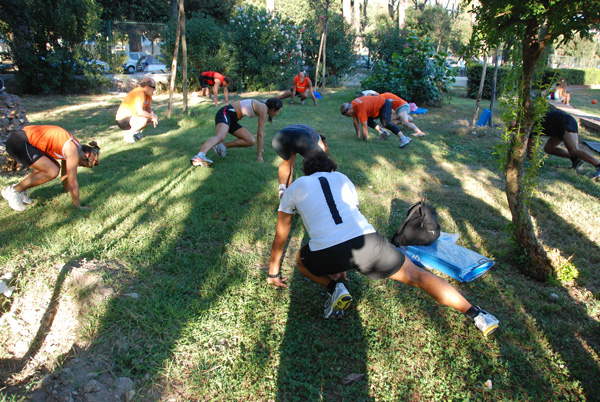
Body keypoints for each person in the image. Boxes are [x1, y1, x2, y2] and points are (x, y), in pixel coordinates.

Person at [267, 153, 499, 336]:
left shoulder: (295, 186)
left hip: (326, 253)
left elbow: (281, 237)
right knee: (417, 275)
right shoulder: (342, 178)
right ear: (331, 170)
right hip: (368, 244)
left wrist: (273, 273)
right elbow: (349, 218)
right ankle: (477, 315)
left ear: (306, 172)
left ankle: (334, 287)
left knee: (301, 261)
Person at [2, 125, 100, 212]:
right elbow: (73, 182)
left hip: (21, 140)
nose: (78, 166)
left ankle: (20, 189)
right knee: (52, 171)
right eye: (82, 164)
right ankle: (14, 191)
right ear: (85, 156)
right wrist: (78, 206)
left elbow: (66, 173)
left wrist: (67, 191)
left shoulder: (74, 145)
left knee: (55, 167)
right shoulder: (72, 150)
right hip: (18, 142)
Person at [191, 98, 283, 167]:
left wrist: (260, 149)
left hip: (233, 119)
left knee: (250, 140)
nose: (278, 114)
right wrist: (259, 156)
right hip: (226, 113)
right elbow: (260, 134)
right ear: (273, 109)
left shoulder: (263, 107)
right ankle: (199, 156)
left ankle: (221, 147)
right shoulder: (263, 108)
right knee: (220, 136)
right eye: (278, 111)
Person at [531, 110, 600, 180]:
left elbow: (531, 143)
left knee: (574, 150)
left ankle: (598, 165)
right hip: (557, 128)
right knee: (548, 148)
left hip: (565, 122)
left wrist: (530, 160)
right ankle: (575, 158)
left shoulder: (528, 122)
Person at [272, 124, 329, 198]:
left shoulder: (309, 132)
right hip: (300, 136)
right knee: (320, 163)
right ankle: (316, 191)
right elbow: (322, 153)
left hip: (279, 137)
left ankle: (283, 191)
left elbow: (291, 167)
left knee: (287, 162)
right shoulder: (318, 139)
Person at [340, 96, 412, 148]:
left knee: (386, 123)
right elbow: (355, 121)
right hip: (377, 107)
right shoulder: (353, 105)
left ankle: (404, 138)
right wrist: (358, 135)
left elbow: (364, 126)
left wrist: (364, 141)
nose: (347, 116)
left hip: (384, 104)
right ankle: (383, 132)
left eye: (346, 114)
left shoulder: (359, 107)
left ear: (350, 109)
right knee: (368, 120)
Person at [115, 77, 158, 143]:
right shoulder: (139, 93)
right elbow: (140, 112)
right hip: (123, 119)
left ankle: (136, 133)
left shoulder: (148, 95)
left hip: (133, 117)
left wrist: (153, 116)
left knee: (153, 117)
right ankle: (129, 135)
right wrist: (152, 116)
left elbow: (148, 108)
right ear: (147, 87)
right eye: (153, 87)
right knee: (143, 120)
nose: (155, 89)